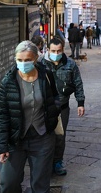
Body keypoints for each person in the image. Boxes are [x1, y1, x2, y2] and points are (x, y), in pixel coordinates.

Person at [0, 40, 60, 192]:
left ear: (36, 59)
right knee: (8, 183)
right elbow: (2, 115)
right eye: (19, 60)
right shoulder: (8, 82)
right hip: (16, 140)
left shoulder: (46, 76)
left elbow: (55, 98)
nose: (23, 63)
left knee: (40, 185)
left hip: (42, 137)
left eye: (27, 60)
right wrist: (2, 146)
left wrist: (53, 115)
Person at [40, 37, 85, 176]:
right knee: (43, 135)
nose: (56, 53)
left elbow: (78, 83)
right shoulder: (40, 63)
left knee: (60, 135)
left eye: (59, 50)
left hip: (62, 107)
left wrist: (80, 103)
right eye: (53, 50)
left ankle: (58, 161)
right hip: (44, 107)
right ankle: (44, 162)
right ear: (48, 49)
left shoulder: (70, 64)